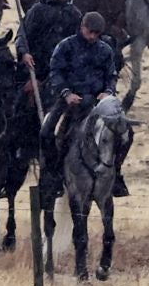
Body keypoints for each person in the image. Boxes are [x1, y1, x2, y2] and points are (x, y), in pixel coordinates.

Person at [46, 11, 126, 195]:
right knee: (47, 132)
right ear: (82, 27)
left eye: (97, 34)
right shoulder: (66, 46)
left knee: (124, 133)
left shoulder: (105, 50)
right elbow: (56, 72)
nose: (93, 37)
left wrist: (108, 92)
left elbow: (111, 75)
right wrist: (66, 93)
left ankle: (117, 174)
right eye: (90, 32)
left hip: (98, 102)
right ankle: (54, 176)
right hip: (70, 100)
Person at [17, 0, 82, 88]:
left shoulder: (74, 14)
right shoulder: (37, 10)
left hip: (62, 71)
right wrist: (24, 53)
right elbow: (22, 35)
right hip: (36, 69)